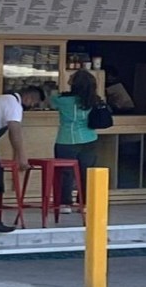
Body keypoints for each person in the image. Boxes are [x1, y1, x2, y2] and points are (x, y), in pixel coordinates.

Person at [0, 86, 44, 233]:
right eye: (34, 103)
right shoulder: (14, 105)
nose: (32, 106)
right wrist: (22, 157)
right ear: (28, 97)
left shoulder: (2, 99)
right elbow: (15, 131)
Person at [51, 70, 100, 212]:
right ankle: (84, 203)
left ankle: (64, 204)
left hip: (66, 139)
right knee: (86, 172)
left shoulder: (62, 100)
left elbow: (50, 99)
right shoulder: (94, 100)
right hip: (89, 138)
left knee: (65, 172)